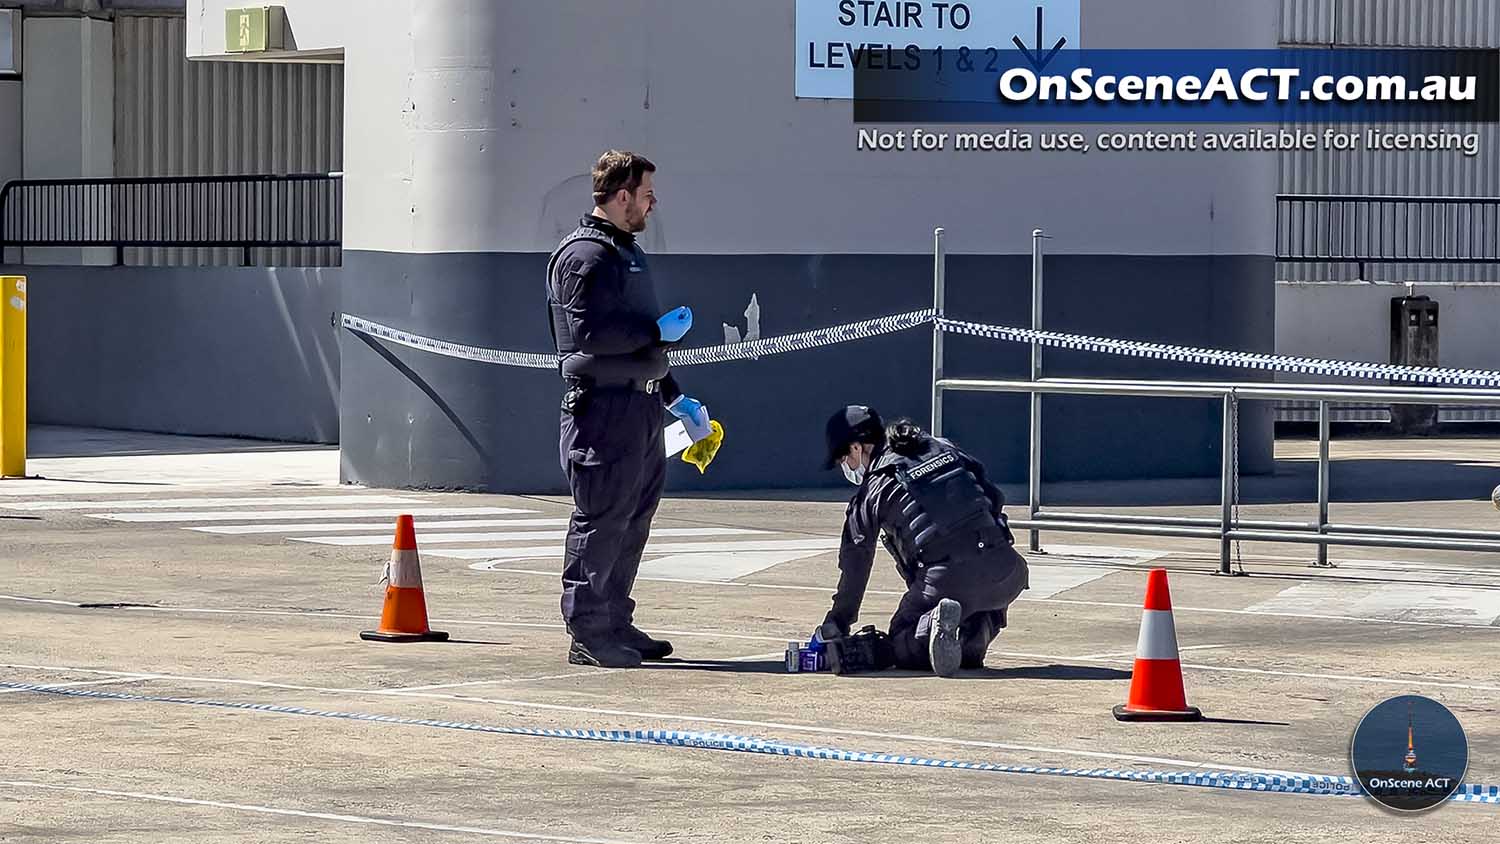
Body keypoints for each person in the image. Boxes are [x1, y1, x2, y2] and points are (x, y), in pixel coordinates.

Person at [545, 151, 710, 668]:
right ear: (622, 196)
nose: (652, 203)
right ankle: (587, 630)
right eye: (646, 194)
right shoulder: (585, 257)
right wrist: (656, 332)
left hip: (640, 409)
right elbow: (590, 337)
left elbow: (638, 345)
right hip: (602, 413)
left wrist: (674, 396)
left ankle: (615, 618)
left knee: (634, 518)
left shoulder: (623, 253)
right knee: (601, 518)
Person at [817, 406, 1029, 677]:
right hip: (1007, 571)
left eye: (843, 459)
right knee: (979, 600)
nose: (846, 467)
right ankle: (973, 639)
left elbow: (855, 561)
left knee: (901, 641)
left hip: (948, 579)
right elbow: (992, 497)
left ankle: (934, 624)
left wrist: (839, 621)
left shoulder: (874, 488)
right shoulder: (942, 446)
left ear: (857, 448)